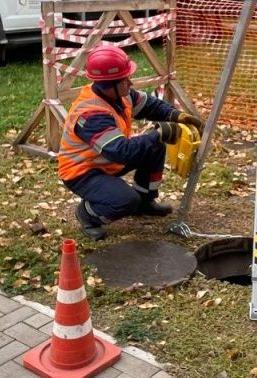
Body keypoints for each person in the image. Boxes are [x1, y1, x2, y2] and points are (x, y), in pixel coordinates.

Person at [59, 45, 205, 239]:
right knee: (126, 200)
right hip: (82, 172)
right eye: (125, 79)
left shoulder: (120, 94)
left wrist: (176, 115)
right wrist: (159, 133)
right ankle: (88, 214)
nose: (131, 82)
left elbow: (151, 106)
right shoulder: (90, 114)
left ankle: (145, 202)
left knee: (154, 147)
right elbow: (121, 152)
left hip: (106, 161)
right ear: (110, 84)